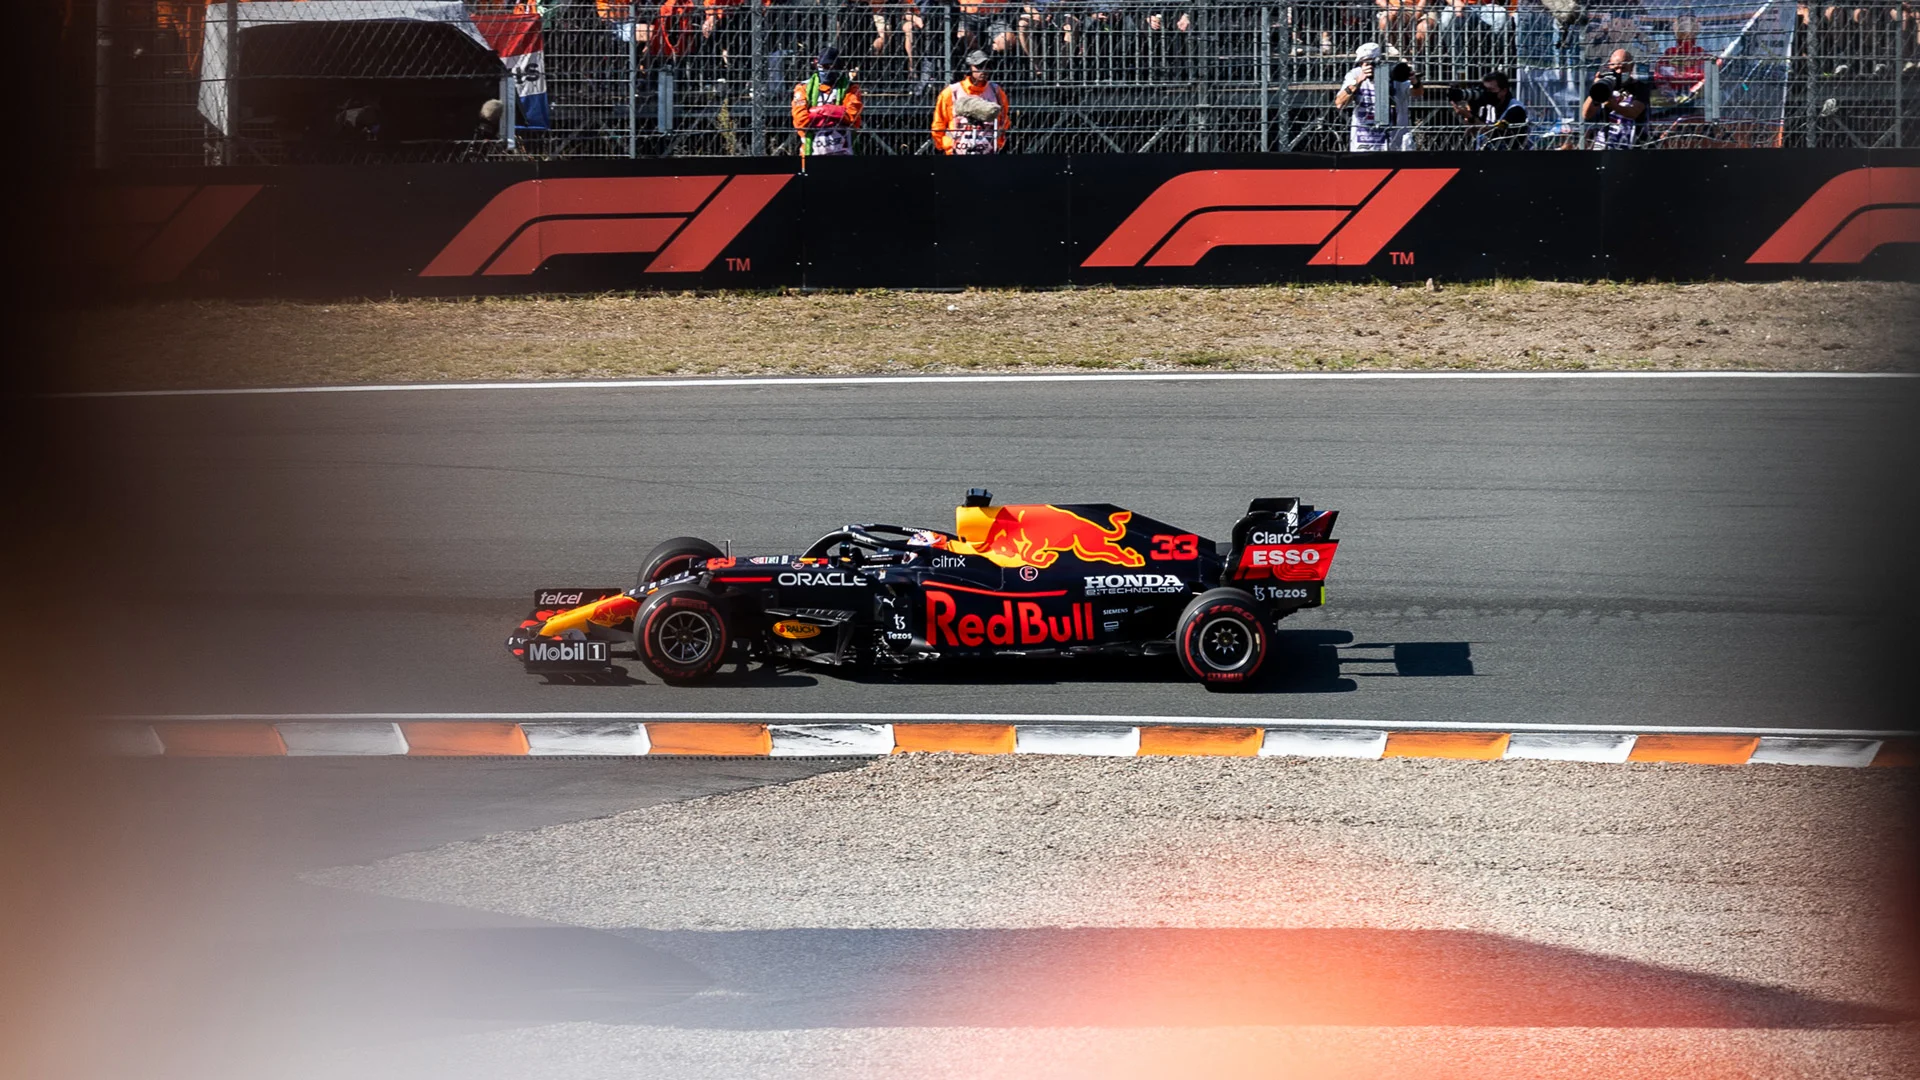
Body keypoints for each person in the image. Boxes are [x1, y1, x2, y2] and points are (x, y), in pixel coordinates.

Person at [1334, 41, 1414, 151]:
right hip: (1364, 142)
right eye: (1364, 63)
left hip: (1394, 142)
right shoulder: (1355, 74)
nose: (1368, 67)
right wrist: (1357, 81)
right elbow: (1339, 104)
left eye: (1372, 63)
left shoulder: (1392, 72)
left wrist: (1415, 82)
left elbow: (1418, 93)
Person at [933, 50, 1011, 154]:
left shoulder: (996, 91)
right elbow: (939, 123)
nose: (983, 71)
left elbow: (1004, 120)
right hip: (957, 152)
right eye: (979, 67)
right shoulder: (951, 92)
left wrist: (998, 143)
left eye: (987, 66)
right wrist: (947, 146)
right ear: (969, 68)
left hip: (989, 152)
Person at [792, 45, 862, 158]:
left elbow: (852, 117)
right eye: (823, 66)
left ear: (838, 67)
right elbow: (801, 121)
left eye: (831, 66)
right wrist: (836, 113)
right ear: (817, 65)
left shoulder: (851, 87)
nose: (827, 69)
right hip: (812, 152)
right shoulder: (803, 87)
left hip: (845, 153)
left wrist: (816, 113)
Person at [1582, 47, 1650, 147]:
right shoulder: (1605, 85)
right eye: (1616, 68)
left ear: (1631, 67)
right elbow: (1586, 114)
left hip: (1633, 146)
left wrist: (1613, 105)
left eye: (1623, 68)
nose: (1619, 72)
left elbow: (1633, 112)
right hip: (1604, 144)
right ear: (1609, 66)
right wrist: (1596, 89)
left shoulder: (1640, 87)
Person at [1449, 69, 1528, 147]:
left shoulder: (1515, 109)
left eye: (1491, 90)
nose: (1486, 94)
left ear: (1504, 91)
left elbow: (1497, 133)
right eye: (1484, 90)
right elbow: (1473, 132)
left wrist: (1470, 117)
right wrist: (1466, 113)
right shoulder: (1487, 107)